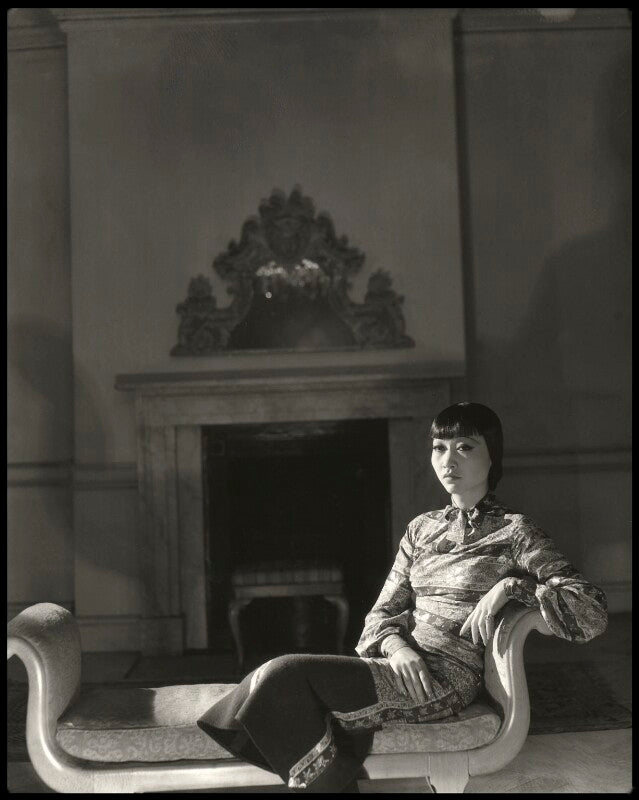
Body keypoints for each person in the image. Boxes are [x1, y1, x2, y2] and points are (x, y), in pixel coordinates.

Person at [197, 402, 608, 793]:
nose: (448, 461)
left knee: (283, 674)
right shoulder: (421, 529)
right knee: (273, 679)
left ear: (492, 456)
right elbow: (380, 615)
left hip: (442, 681)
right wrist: (398, 649)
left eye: (465, 447)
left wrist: (511, 587)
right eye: (439, 448)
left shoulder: (515, 532)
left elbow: (590, 610)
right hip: (399, 666)